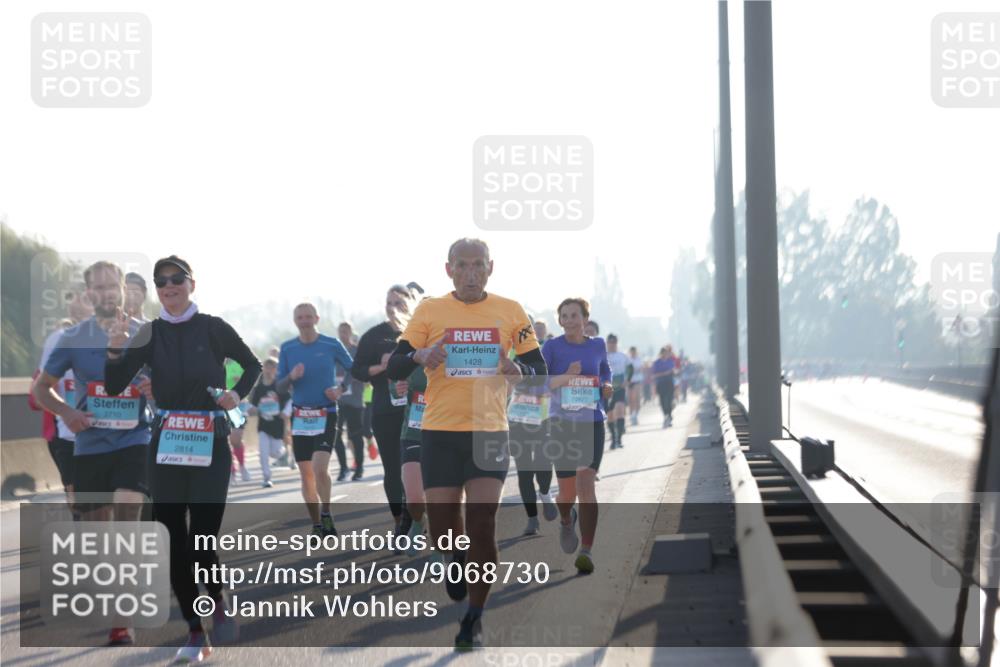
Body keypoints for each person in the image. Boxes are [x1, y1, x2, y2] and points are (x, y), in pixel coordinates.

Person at [386, 238, 546, 651]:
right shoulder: (429, 310)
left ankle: (474, 616)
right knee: (443, 530)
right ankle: (453, 560)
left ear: (490, 268)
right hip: (438, 433)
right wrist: (421, 355)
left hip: (489, 432)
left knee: (481, 522)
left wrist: (518, 367)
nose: (471, 273)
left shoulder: (511, 310)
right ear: (448, 269)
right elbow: (397, 363)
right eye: (462, 266)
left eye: (478, 265)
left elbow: (539, 368)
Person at [104, 255, 261, 661]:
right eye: (162, 282)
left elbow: (252, 365)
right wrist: (116, 350)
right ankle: (195, 633)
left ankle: (218, 601)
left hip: (210, 442)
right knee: (172, 541)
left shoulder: (213, 327)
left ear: (192, 283)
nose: (169, 286)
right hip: (167, 446)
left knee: (201, 537)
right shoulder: (150, 333)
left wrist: (236, 395)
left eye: (176, 279)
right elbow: (115, 383)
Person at [33, 261, 152, 647]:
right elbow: (41, 390)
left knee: (128, 507)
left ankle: (123, 621)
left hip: (135, 438)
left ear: (122, 288)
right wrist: (67, 412)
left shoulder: (144, 334)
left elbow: (169, 383)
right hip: (90, 444)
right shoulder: (73, 338)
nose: (104, 293)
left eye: (110, 286)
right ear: (88, 294)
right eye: (96, 288)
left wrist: (156, 388)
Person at [541, 297, 611, 576]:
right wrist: (567, 376)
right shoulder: (552, 347)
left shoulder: (598, 345)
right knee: (567, 494)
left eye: (574, 315)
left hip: (592, 421)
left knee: (586, 487)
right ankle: (566, 519)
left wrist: (607, 385)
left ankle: (587, 550)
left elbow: (604, 369)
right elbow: (542, 384)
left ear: (585, 319)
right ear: (560, 321)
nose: (569, 320)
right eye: (564, 316)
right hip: (562, 424)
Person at [352, 283, 423, 537]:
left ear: (411, 305)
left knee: (420, 467)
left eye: (400, 303)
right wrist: (381, 368)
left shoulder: (421, 332)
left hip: (419, 410)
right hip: (385, 411)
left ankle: (417, 517)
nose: (394, 308)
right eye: (390, 303)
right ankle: (399, 523)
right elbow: (357, 370)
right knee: (393, 470)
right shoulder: (374, 336)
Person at [277, 303, 352, 537]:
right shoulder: (288, 348)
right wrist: (291, 376)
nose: (305, 320)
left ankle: (326, 513)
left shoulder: (330, 344)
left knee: (320, 468)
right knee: (306, 473)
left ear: (316, 318)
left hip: (326, 412)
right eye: (300, 317)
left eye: (309, 316)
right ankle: (316, 523)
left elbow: (353, 368)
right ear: (295, 320)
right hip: (300, 416)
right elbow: (279, 387)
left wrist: (340, 388)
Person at [30, 283, 94, 515]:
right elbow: (39, 387)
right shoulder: (58, 338)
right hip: (67, 434)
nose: (75, 303)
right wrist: (64, 410)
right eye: (71, 298)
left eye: (82, 298)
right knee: (77, 498)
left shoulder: (112, 335)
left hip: (105, 433)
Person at [509, 319, 557, 536]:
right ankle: (532, 519)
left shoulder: (546, 350)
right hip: (517, 416)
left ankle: (545, 494)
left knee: (543, 461)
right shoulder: (508, 352)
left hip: (543, 414)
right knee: (524, 470)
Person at [396, 364, 428, 555]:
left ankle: (438, 552)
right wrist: (398, 387)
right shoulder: (411, 357)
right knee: (414, 498)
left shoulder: (457, 354)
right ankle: (418, 521)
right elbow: (394, 383)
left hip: (447, 433)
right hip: (414, 434)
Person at [248, 357, 290, 487]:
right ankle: (266, 478)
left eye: (272, 367)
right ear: (263, 369)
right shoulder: (258, 388)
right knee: (263, 452)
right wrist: (252, 410)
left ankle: (283, 451)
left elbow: (290, 400)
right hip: (263, 425)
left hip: (277, 425)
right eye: (266, 367)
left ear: (276, 370)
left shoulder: (279, 386)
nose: (268, 370)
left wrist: (286, 412)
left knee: (275, 452)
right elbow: (251, 406)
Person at [333, 321, 366, 481]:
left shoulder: (357, 351)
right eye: (341, 331)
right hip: (337, 400)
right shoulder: (334, 351)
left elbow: (358, 371)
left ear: (351, 332)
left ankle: (359, 468)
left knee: (355, 436)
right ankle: (343, 468)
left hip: (354, 400)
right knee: (336, 435)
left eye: (346, 331)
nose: (343, 334)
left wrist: (346, 384)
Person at [225, 359, 250, 482]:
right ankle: (231, 470)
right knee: (225, 440)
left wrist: (239, 383)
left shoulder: (239, 363)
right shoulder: (214, 362)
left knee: (235, 438)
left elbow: (250, 380)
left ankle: (242, 466)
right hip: (220, 405)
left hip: (238, 405)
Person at [605, 334, 632, 449]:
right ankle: (613, 437)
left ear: (616, 343)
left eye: (614, 342)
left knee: (620, 410)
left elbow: (630, 368)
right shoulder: (603, 356)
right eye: (610, 342)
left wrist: (628, 380)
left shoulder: (622, 356)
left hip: (620, 387)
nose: (612, 344)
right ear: (607, 343)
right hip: (607, 388)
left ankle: (619, 439)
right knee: (610, 415)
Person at [652, 346, 677, 427]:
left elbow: (673, 371)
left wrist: (673, 372)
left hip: (669, 382)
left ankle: (669, 416)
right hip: (661, 383)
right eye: (663, 353)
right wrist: (664, 373)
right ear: (661, 353)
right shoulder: (656, 363)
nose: (665, 354)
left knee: (669, 400)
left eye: (666, 353)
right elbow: (653, 375)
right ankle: (665, 415)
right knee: (663, 401)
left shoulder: (670, 361)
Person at [627, 346, 644, 426]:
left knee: (637, 399)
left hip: (637, 380)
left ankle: (635, 414)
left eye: (634, 351)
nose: (633, 353)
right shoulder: (628, 359)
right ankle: (632, 415)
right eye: (632, 351)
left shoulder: (639, 359)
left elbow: (640, 368)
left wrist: (634, 370)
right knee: (631, 400)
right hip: (630, 381)